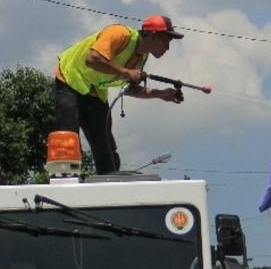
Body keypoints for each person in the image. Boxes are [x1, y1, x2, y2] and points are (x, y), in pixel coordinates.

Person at [54, 15, 184, 174]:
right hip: (70, 79)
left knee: (105, 147)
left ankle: (110, 183)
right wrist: (126, 72)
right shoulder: (119, 34)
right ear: (154, 35)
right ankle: (64, 177)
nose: (168, 48)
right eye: (167, 41)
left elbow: (130, 89)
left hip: (94, 92)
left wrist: (161, 94)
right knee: (68, 136)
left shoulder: (141, 57)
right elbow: (92, 59)